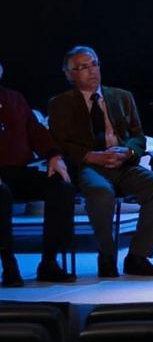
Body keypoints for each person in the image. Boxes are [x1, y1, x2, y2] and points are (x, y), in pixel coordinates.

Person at [47, 46, 153, 278]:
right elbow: (60, 142)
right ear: (70, 74)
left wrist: (127, 152)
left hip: (122, 164)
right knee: (101, 192)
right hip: (88, 166)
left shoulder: (122, 97)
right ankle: (106, 255)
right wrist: (89, 156)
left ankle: (137, 256)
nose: (92, 71)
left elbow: (138, 137)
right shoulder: (60, 103)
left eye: (94, 64)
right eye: (83, 67)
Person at [0, 66, 76, 286]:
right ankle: (8, 263)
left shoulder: (14, 98)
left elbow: (35, 131)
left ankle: (49, 262)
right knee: (1, 193)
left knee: (62, 186)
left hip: (17, 170)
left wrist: (54, 155)